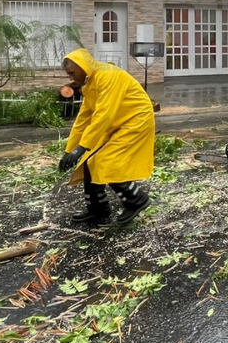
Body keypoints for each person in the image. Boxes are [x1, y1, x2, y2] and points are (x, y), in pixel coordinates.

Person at [57, 48, 155, 226]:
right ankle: (98, 208)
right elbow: (83, 119)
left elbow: (104, 115)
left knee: (106, 160)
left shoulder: (107, 76)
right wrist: (70, 150)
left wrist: (82, 147)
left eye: (72, 73)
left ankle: (137, 199)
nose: (70, 77)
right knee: (89, 160)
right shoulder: (90, 84)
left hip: (135, 120)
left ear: (83, 66)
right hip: (116, 123)